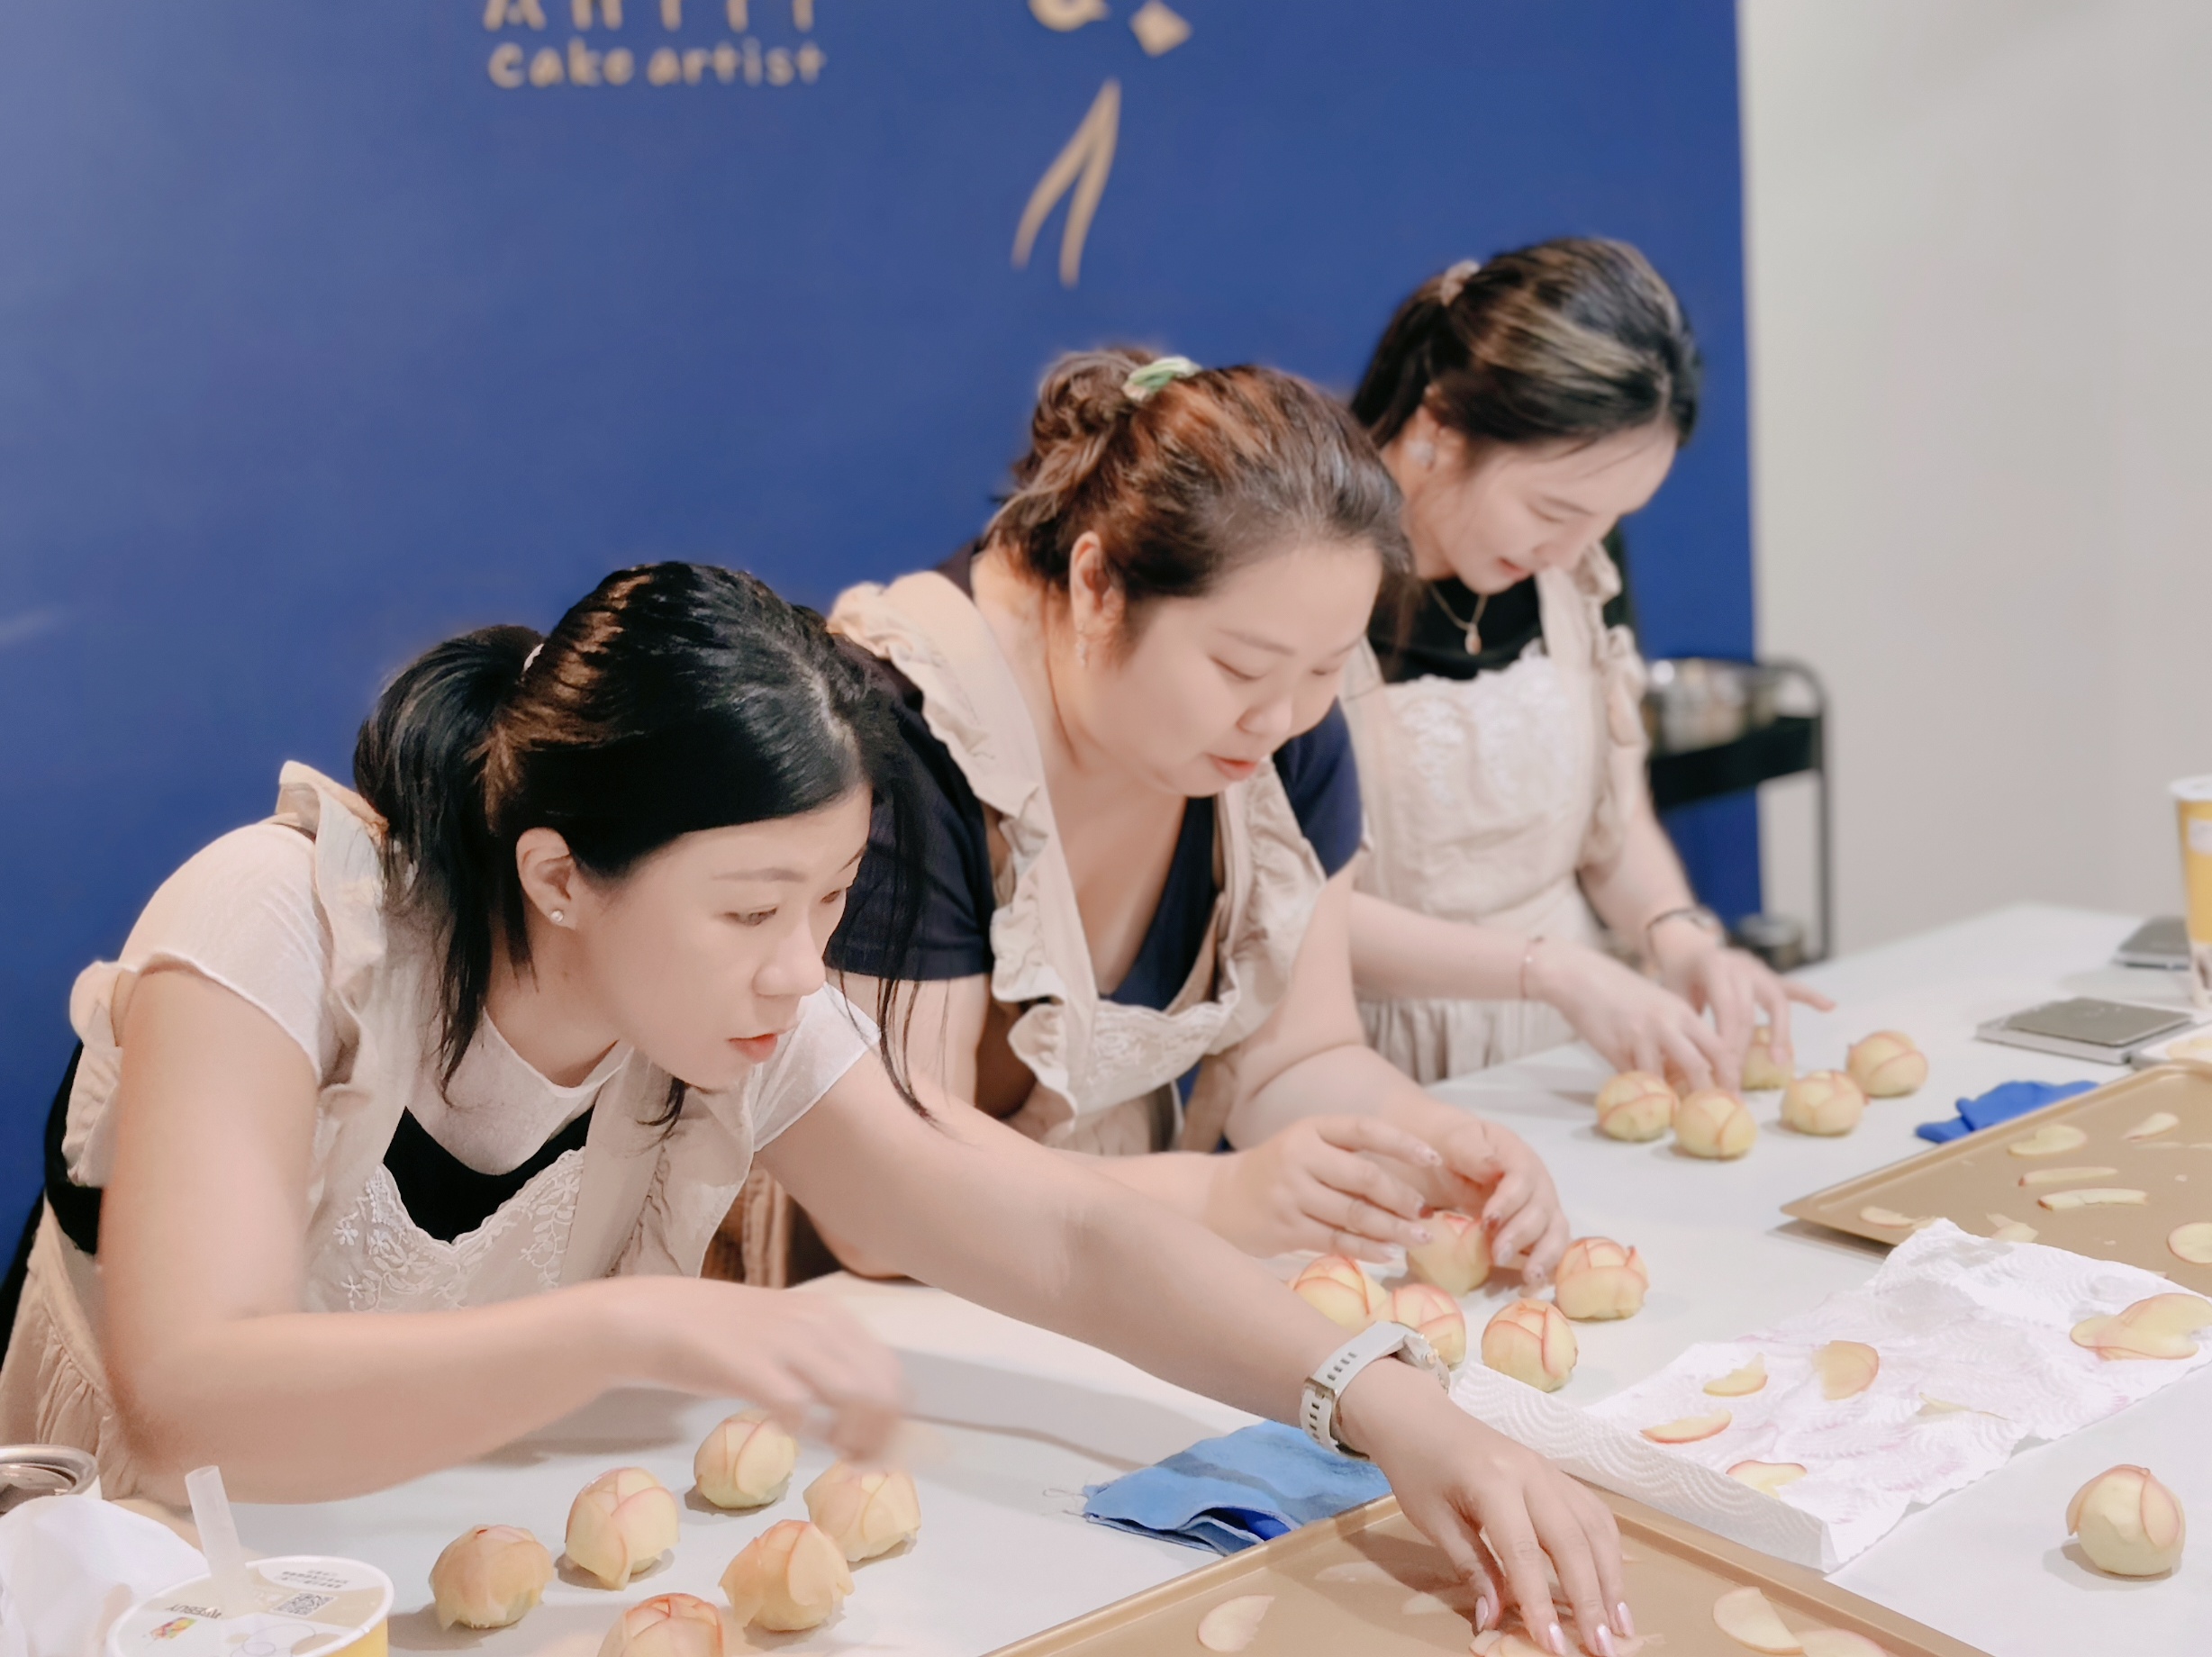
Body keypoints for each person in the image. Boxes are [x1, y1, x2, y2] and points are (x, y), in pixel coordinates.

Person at [0, 564, 1628, 1648]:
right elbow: (192, 1401)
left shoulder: (737, 1002)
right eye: (748, 908)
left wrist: (1389, 1403)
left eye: (832, 899)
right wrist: (636, 1327)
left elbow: (1053, 1238)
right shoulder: (279, 925)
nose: (800, 968)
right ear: (559, 875)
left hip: (458, 1563)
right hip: (161, 1588)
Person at [818, 350, 1572, 1285]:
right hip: (868, 1309)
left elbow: (1296, 1057)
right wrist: (1218, 1198)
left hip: (1105, 1279)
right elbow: (888, 1206)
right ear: (1097, 585)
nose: (1281, 718)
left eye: (1326, 668)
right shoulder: (907, 739)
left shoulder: (1284, 727)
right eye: (1239, 669)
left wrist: (1435, 1146)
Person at [1341, 240, 1830, 1091]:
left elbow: (1613, 818)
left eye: (1607, 520)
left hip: (1569, 1041)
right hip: (1368, 1062)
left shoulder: (1575, 561)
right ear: (1439, 425)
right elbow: (1286, 915)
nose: (1570, 552)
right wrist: (1550, 971)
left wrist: (1678, 935)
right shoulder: (1310, 576)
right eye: (1552, 510)